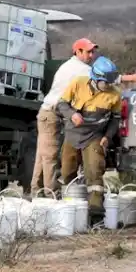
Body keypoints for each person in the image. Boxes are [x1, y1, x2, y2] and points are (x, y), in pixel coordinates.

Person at [30, 38, 99, 195]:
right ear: (77, 52)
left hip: (48, 113)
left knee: (43, 155)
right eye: (88, 52)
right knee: (50, 156)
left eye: (92, 51)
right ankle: (51, 194)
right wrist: (131, 78)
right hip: (51, 113)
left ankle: (36, 191)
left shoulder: (70, 66)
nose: (91, 55)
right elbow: (103, 78)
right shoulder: (79, 68)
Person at [56, 56, 123, 214]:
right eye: (105, 82)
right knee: (67, 171)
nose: (108, 86)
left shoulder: (115, 95)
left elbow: (115, 119)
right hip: (73, 134)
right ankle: (68, 208)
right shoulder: (78, 83)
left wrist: (108, 136)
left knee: (94, 171)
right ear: (95, 78)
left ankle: (95, 209)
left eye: (110, 82)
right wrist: (72, 114)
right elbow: (61, 104)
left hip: (94, 136)